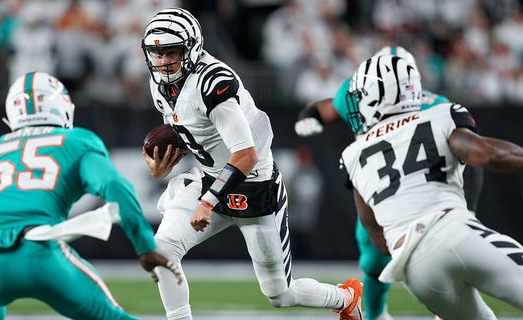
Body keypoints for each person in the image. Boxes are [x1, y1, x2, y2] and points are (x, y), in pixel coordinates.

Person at [140, 7, 362, 320]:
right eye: (157, 53)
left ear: (191, 48)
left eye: (172, 52)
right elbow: (194, 136)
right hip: (208, 180)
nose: (163, 62)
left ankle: (346, 298)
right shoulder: (160, 84)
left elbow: (245, 154)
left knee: (280, 294)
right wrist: (162, 168)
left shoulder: (213, 83)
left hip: (253, 186)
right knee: (162, 250)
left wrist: (208, 202)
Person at [0, 71, 182, 320]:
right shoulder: (75, 141)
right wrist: (145, 246)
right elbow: (116, 186)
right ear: (63, 108)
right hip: (40, 254)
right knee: (111, 316)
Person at [294, 45, 484, 320]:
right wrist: (309, 116)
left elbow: (471, 158)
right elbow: (323, 108)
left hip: (424, 197)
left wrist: (467, 210)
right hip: (378, 193)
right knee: (373, 263)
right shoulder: (353, 94)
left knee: (440, 259)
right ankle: (373, 314)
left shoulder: (437, 106)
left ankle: (451, 309)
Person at [340, 54, 523, 319]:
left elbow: (374, 232)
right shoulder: (440, 115)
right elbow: (488, 155)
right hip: (452, 232)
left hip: (414, 270)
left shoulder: (354, 154)